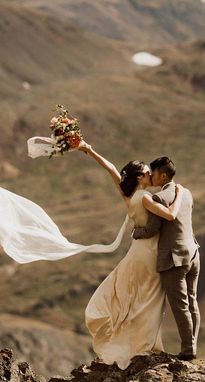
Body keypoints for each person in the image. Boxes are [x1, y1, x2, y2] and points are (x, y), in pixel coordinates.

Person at [77, 142, 182, 369]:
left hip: (136, 251)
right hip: (149, 252)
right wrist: (180, 196)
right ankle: (144, 346)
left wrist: (89, 149)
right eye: (146, 173)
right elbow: (171, 216)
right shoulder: (145, 197)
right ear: (139, 179)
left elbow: (112, 170)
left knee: (132, 296)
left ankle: (133, 344)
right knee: (150, 299)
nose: (150, 175)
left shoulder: (129, 197)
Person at [132, 157, 200, 360]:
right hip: (193, 253)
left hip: (174, 259)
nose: (150, 177)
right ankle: (193, 345)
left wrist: (136, 232)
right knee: (192, 302)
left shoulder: (159, 198)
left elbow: (152, 229)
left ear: (162, 175)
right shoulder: (186, 193)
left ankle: (188, 351)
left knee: (180, 306)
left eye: (152, 174)